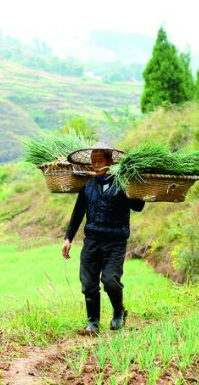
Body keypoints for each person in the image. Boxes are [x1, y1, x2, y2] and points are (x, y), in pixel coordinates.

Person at [62, 142, 145, 335]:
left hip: (115, 241)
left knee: (110, 281)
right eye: (93, 162)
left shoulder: (122, 184)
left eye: (100, 161)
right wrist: (68, 238)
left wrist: (136, 188)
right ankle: (93, 323)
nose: (96, 165)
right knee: (88, 283)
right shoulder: (88, 186)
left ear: (110, 161)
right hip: (92, 241)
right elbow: (77, 213)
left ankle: (118, 312)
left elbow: (138, 207)